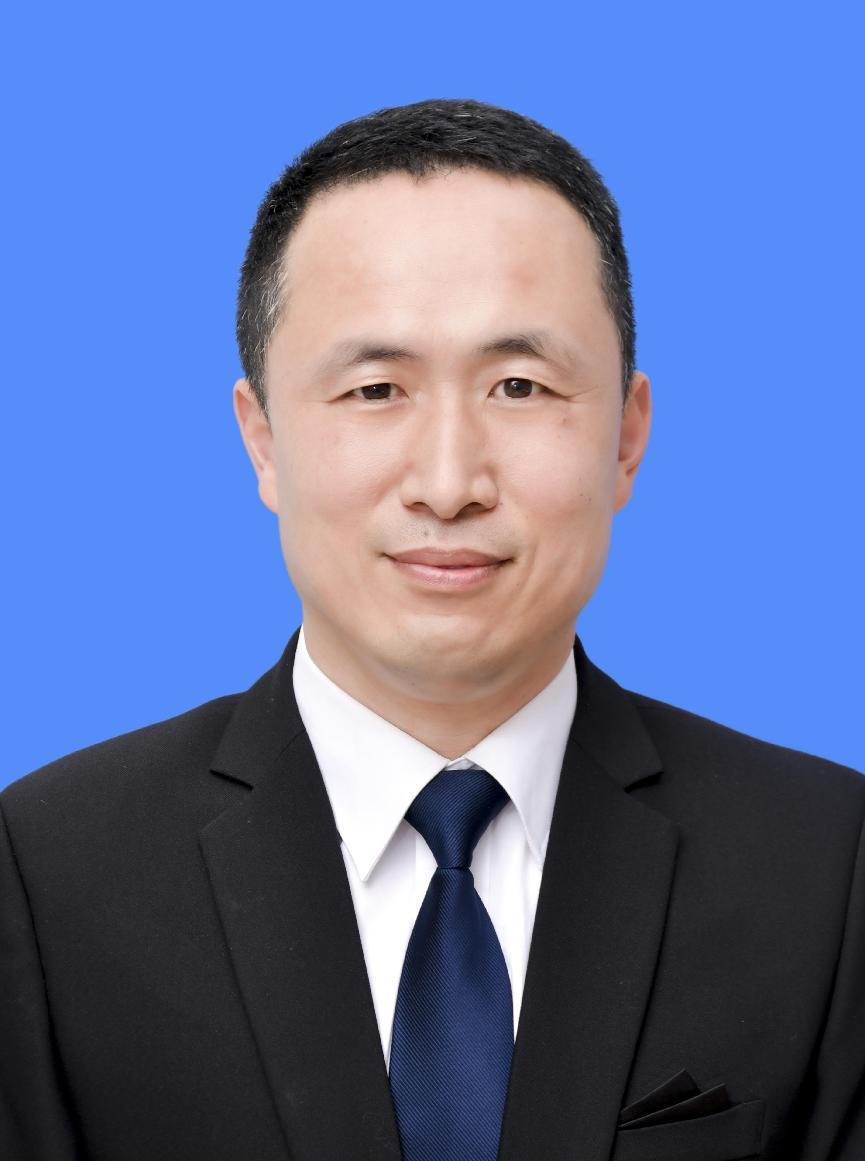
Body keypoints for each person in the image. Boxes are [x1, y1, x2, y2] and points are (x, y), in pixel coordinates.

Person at [1, 98, 862, 1161]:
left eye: (518, 385)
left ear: (626, 436)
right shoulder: (47, 872)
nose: (449, 483)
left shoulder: (826, 866)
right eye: (375, 389)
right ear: (262, 440)